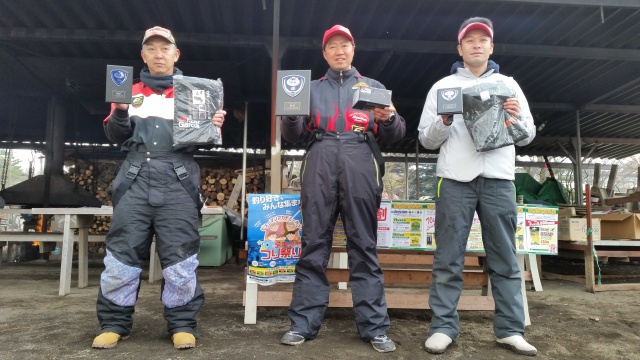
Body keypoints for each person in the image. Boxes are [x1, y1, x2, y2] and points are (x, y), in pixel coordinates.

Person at [92, 26, 226, 350]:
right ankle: (114, 323)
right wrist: (121, 111)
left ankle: (181, 324)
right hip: (135, 178)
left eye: (164, 48)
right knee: (122, 255)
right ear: (144, 55)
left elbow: (206, 141)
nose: (158, 54)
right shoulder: (128, 90)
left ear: (175, 54)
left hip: (178, 179)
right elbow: (115, 136)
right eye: (151, 49)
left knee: (180, 256)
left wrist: (213, 125)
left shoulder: (195, 92)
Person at [279, 24, 405, 353]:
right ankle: (302, 324)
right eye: (332, 46)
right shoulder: (307, 88)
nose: (339, 51)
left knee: (363, 245)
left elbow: (395, 134)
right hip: (319, 158)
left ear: (353, 50)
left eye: (344, 45)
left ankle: (375, 328)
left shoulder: (374, 88)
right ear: (324, 53)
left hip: (360, 158)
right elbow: (292, 137)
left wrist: (390, 118)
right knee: (313, 245)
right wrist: (290, 116)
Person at [417, 17, 538, 356]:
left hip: (499, 179)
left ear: (491, 47)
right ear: (459, 48)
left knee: (504, 257)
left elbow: (527, 135)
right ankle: (443, 327)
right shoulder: (443, 87)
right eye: (469, 40)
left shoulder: (509, 85)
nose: (476, 44)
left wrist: (514, 117)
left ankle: (510, 330)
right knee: (448, 257)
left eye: (482, 40)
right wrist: (443, 122)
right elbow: (426, 140)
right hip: (455, 179)